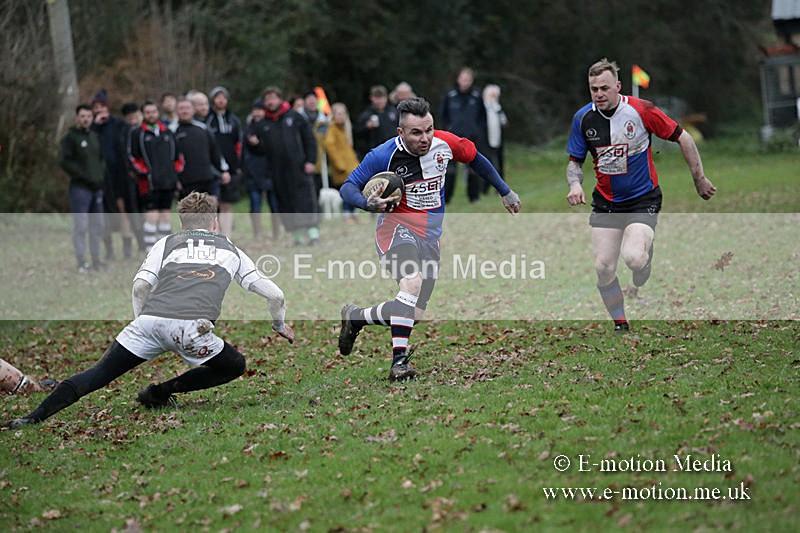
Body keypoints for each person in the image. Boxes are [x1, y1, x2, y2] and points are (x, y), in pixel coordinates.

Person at [3, 192, 295, 429]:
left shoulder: (167, 243)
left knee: (98, 374)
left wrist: (141, 323)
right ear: (215, 222)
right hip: (192, 329)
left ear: (182, 223)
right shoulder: (230, 249)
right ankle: (160, 392)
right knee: (235, 365)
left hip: (149, 322)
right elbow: (275, 294)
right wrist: (278, 324)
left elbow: (140, 287)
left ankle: (31, 419)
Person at [338, 97, 521, 381]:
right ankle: (399, 362)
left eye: (429, 130)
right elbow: (348, 186)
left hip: (431, 239)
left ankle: (357, 317)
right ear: (401, 133)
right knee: (411, 284)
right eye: (416, 133)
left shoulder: (444, 144)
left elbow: (476, 158)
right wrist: (367, 204)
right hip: (395, 231)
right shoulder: (382, 155)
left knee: (414, 311)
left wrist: (504, 190)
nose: (425, 138)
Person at [565, 58, 716, 333]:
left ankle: (644, 259)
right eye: (593, 89)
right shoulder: (583, 118)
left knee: (634, 258)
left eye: (604, 88)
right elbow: (574, 162)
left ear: (618, 87)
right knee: (603, 267)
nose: (599, 94)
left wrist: (700, 179)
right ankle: (621, 324)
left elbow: (684, 137)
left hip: (642, 199)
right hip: (606, 203)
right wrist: (575, 185)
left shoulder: (641, 110)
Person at [247, 86, 320, 246]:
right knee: (286, 203)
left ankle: (313, 234)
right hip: (278, 172)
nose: (271, 102)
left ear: (280, 99)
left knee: (305, 200)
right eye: (268, 99)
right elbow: (260, 151)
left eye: (273, 98)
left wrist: (310, 161)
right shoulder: (262, 124)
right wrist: (254, 145)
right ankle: (297, 237)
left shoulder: (295, 117)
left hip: (299, 168)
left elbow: (310, 140)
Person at [128, 100, 184, 252]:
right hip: (149, 183)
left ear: (157, 113)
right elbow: (132, 157)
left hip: (168, 181)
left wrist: (174, 173)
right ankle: (150, 249)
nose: (151, 115)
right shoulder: (137, 134)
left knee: (165, 214)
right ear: (143, 114)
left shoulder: (167, 132)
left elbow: (178, 157)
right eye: (147, 112)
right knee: (152, 216)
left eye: (153, 112)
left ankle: (165, 249)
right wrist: (144, 173)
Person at [92, 89, 138, 260]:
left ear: (107, 108)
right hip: (101, 177)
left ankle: (127, 248)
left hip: (119, 175)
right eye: (95, 108)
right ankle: (109, 249)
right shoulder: (92, 127)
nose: (99, 110)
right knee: (103, 214)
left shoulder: (118, 124)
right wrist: (96, 125)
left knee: (123, 211)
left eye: (101, 107)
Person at [60, 104, 106, 273]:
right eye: (83, 116)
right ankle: (81, 261)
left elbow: (101, 160)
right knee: (81, 226)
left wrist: (100, 176)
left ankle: (96, 259)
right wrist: (81, 175)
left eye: (88, 116)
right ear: (77, 118)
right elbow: (65, 162)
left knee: (98, 225)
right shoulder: (70, 138)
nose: (86, 119)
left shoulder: (94, 137)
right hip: (80, 189)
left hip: (97, 188)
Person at [439, 67, 487, 204]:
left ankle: (474, 197)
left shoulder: (477, 96)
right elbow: (443, 115)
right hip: (453, 139)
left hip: (471, 139)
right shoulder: (450, 95)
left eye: (468, 79)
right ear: (458, 79)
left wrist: (477, 131)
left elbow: (482, 117)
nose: (465, 82)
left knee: (473, 169)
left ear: (471, 81)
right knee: (449, 170)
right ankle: (446, 198)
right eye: (463, 79)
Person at [175, 97, 230, 202]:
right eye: (181, 108)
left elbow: (215, 151)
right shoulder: (172, 131)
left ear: (193, 110)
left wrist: (224, 170)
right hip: (186, 181)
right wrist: (175, 180)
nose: (184, 111)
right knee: (191, 215)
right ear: (177, 111)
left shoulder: (203, 128)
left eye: (187, 108)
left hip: (207, 178)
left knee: (211, 212)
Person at [206, 86, 242, 237]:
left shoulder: (233, 120)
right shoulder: (208, 120)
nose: (221, 100)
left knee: (227, 204)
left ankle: (227, 237)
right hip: (212, 168)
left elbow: (239, 144)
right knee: (213, 205)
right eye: (217, 97)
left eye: (223, 97)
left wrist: (237, 165)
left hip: (231, 168)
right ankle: (215, 235)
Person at [243, 97, 281, 240]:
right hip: (253, 172)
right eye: (255, 111)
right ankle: (257, 234)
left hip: (270, 171)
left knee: (274, 205)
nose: (257, 113)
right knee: (255, 205)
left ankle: (276, 234)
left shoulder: (271, 127)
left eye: (260, 110)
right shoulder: (248, 129)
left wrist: (258, 144)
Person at [324, 102, 360, 221]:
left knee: (353, 190)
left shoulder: (345, 129)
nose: (341, 116)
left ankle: (353, 212)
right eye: (338, 114)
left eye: (343, 114)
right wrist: (340, 165)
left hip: (351, 166)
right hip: (342, 168)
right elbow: (330, 147)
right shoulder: (332, 129)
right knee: (346, 191)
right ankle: (347, 214)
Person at [297, 90, 328, 216]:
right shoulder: (297, 118)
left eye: (314, 99)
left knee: (316, 190)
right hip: (300, 161)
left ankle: (316, 215)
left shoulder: (323, 119)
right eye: (309, 99)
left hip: (318, 161)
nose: (311, 102)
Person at [354, 85, 399, 158]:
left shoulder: (393, 111)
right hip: (375, 153)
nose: (379, 101)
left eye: (381, 97)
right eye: (376, 97)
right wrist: (366, 127)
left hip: (394, 151)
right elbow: (357, 133)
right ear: (371, 98)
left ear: (386, 98)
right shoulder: (366, 114)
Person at [482, 84, 508, 180]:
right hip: (485, 139)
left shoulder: (498, 108)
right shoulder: (482, 108)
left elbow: (504, 122)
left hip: (497, 139)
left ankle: (500, 182)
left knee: (499, 162)